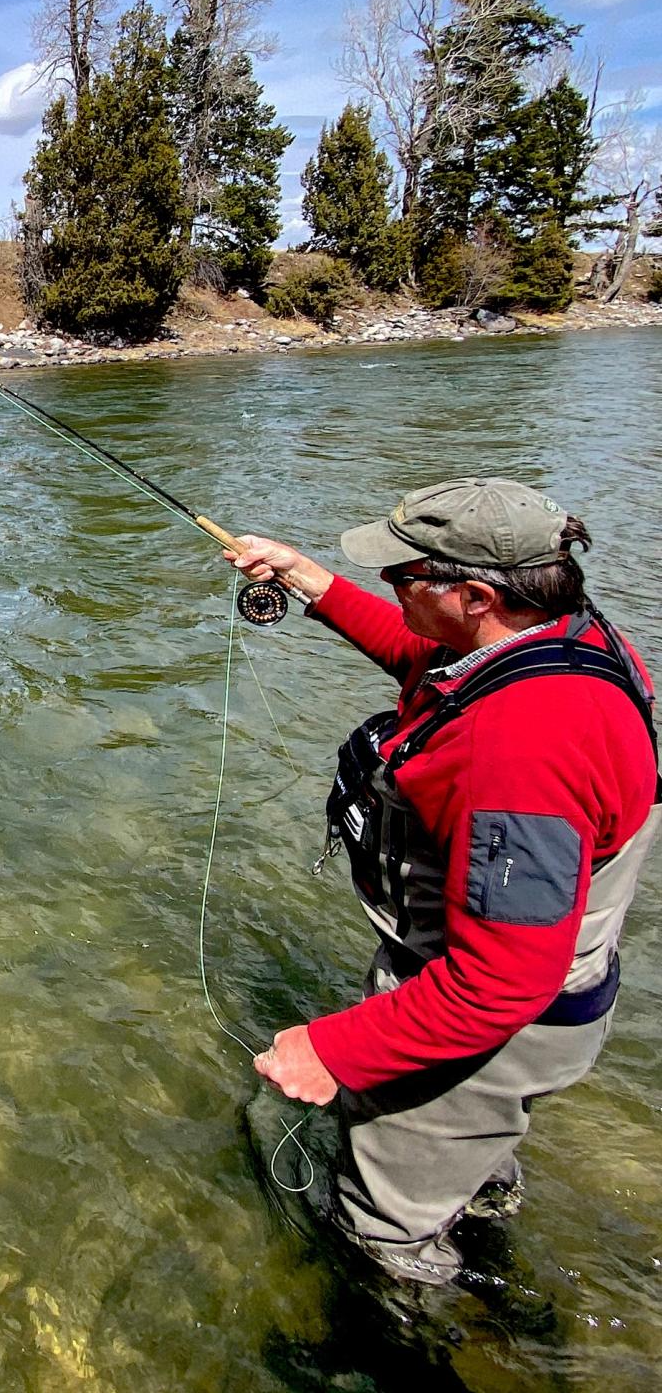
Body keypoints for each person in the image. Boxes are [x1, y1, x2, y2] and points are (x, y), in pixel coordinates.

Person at [226, 477, 659, 1284]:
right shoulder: (564, 640)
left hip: (492, 1021)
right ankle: (481, 1211)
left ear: (475, 595)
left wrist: (332, 1047)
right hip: (549, 993)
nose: (391, 586)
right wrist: (308, 579)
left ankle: (427, 1324)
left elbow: (499, 983)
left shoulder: (525, 747)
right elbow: (421, 654)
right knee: (465, 1161)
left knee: (383, 1235)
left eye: (403, 576)